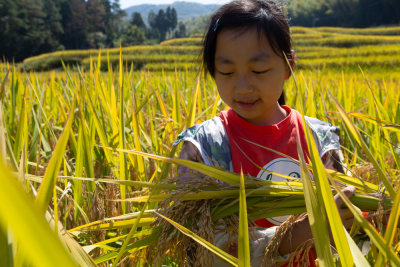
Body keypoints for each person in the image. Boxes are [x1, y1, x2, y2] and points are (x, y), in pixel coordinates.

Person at [173, 0, 355, 265]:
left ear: (289, 64)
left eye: (259, 70)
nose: (243, 87)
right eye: (227, 71)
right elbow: (196, 251)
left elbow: (347, 224)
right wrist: (295, 235)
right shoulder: (203, 149)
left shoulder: (321, 140)